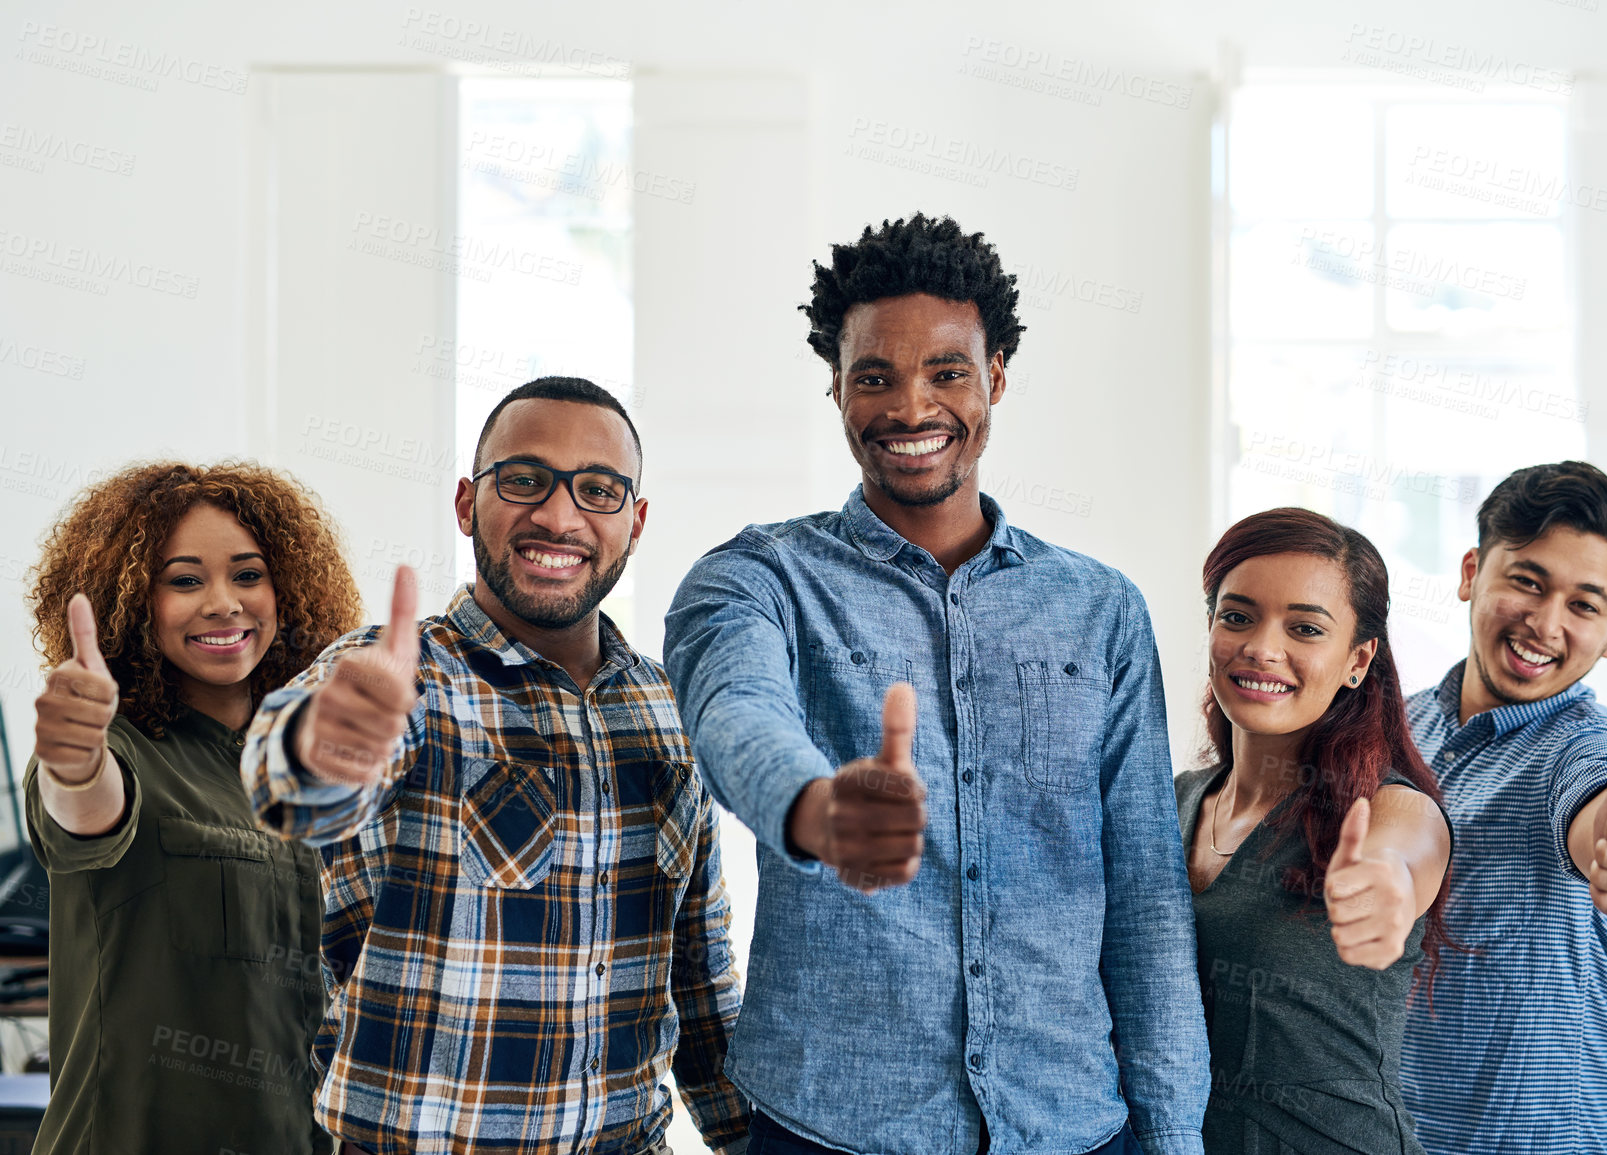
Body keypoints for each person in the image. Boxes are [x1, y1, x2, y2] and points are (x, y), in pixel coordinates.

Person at [663, 214, 1209, 1155]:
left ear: (995, 375)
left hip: (1072, 1125)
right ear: (834, 385)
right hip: (832, 1126)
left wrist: (1172, 1138)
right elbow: (731, 708)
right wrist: (816, 806)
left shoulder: (1101, 609)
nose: (910, 406)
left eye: (946, 372)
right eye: (873, 375)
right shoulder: (756, 579)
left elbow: (1145, 899)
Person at [243, 377, 752, 1155]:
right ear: (465, 503)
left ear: (635, 522)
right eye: (523, 480)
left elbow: (700, 977)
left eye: (598, 489)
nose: (557, 514)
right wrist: (326, 744)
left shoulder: (669, 705)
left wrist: (750, 1137)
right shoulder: (396, 677)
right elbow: (287, 789)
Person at [23, 461, 364, 1155]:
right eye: (184, 579)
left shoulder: (310, 772)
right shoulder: (120, 749)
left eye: (248, 574)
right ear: (132, 601)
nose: (223, 602)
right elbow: (85, 807)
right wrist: (73, 758)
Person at [1398, 461, 1607, 1155]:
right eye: (1526, 581)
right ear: (1470, 572)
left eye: (1584, 605)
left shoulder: (1584, 749)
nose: (1545, 623)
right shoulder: (1403, 728)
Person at [1176, 507, 1451, 1153]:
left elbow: (1399, 856)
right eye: (1236, 616)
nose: (1261, 647)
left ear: (1357, 660)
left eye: (1304, 627)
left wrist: (1384, 888)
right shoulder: (1175, 801)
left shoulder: (1388, 811)